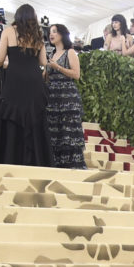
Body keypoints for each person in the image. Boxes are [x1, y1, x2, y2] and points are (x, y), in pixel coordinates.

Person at [0, 4, 50, 167]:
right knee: (34, 117)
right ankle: (35, 161)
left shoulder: (8, 31)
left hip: (15, 80)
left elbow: (0, 59)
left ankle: (10, 157)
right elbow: (43, 62)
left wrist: (1, 63)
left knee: (12, 116)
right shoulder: (38, 34)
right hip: (34, 80)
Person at [43, 23, 85, 169]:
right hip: (52, 97)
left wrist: (58, 67)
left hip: (67, 96)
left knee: (68, 131)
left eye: (54, 32)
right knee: (55, 130)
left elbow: (76, 74)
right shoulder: (51, 54)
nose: (51, 35)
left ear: (62, 34)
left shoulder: (70, 52)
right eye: (50, 32)